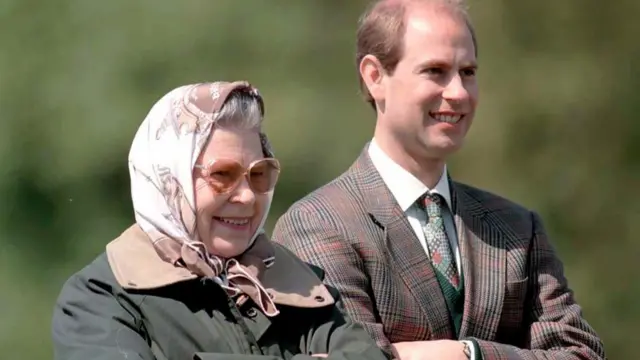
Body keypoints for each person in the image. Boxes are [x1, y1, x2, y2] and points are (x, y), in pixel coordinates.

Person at [272, 1, 606, 359]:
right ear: (374, 76)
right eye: (435, 71)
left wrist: (468, 354)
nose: (459, 92)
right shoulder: (317, 226)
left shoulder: (518, 229)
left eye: (468, 71)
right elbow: (356, 357)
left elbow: (581, 353)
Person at [51, 81, 389, 360]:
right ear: (168, 180)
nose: (246, 196)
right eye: (222, 175)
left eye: (259, 174)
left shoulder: (298, 283)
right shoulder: (100, 297)